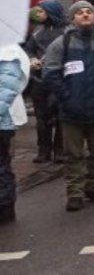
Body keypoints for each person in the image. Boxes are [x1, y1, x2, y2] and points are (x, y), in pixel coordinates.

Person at [42, 1, 94, 212]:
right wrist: (66, 97)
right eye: (80, 13)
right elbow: (50, 74)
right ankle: (75, 193)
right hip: (71, 111)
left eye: (89, 12)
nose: (85, 15)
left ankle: (93, 187)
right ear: (72, 19)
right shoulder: (62, 43)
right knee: (73, 154)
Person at [24, 0, 66, 163]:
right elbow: (28, 49)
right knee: (41, 118)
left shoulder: (67, 32)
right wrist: (32, 59)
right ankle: (43, 150)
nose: (38, 14)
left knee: (61, 116)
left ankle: (60, 150)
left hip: (60, 79)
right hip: (39, 80)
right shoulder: (37, 32)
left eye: (42, 11)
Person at [0, 41, 31, 223]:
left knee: (1, 168)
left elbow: (8, 86)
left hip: (3, 121)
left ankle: (4, 209)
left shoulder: (8, 50)